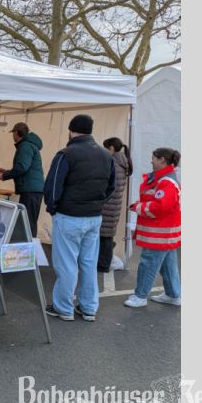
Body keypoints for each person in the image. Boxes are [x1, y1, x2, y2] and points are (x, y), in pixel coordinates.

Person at [43, 115, 115, 322]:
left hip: (69, 216)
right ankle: (89, 307)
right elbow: (111, 186)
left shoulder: (66, 154)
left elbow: (53, 186)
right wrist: (98, 203)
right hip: (94, 216)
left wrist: (53, 208)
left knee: (66, 264)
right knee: (88, 263)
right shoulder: (105, 154)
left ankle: (63, 307)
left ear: (71, 130)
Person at [124, 148, 181, 308]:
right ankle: (173, 294)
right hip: (164, 232)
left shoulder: (166, 181)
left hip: (159, 233)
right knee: (168, 265)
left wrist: (138, 207)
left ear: (162, 160)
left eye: (153, 158)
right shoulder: (164, 179)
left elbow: (160, 207)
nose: (151, 161)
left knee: (148, 263)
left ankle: (140, 296)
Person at [0, 122, 45, 237]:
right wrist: (7, 172)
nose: (13, 135)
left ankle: (29, 251)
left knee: (27, 223)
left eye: (13, 132)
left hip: (30, 190)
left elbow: (22, 167)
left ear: (17, 132)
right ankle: (29, 249)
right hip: (33, 189)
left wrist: (5, 176)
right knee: (29, 222)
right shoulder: (30, 145)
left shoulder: (25, 146)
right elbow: (25, 168)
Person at [98, 137, 133, 273]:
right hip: (114, 205)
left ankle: (103, 265)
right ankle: (103, 263)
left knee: (104, 237)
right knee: (106, 235)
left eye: (106, 148)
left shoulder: (113, 162)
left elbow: (109, 185)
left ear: (111, 148)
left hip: (107, 204)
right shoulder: (123, 161)